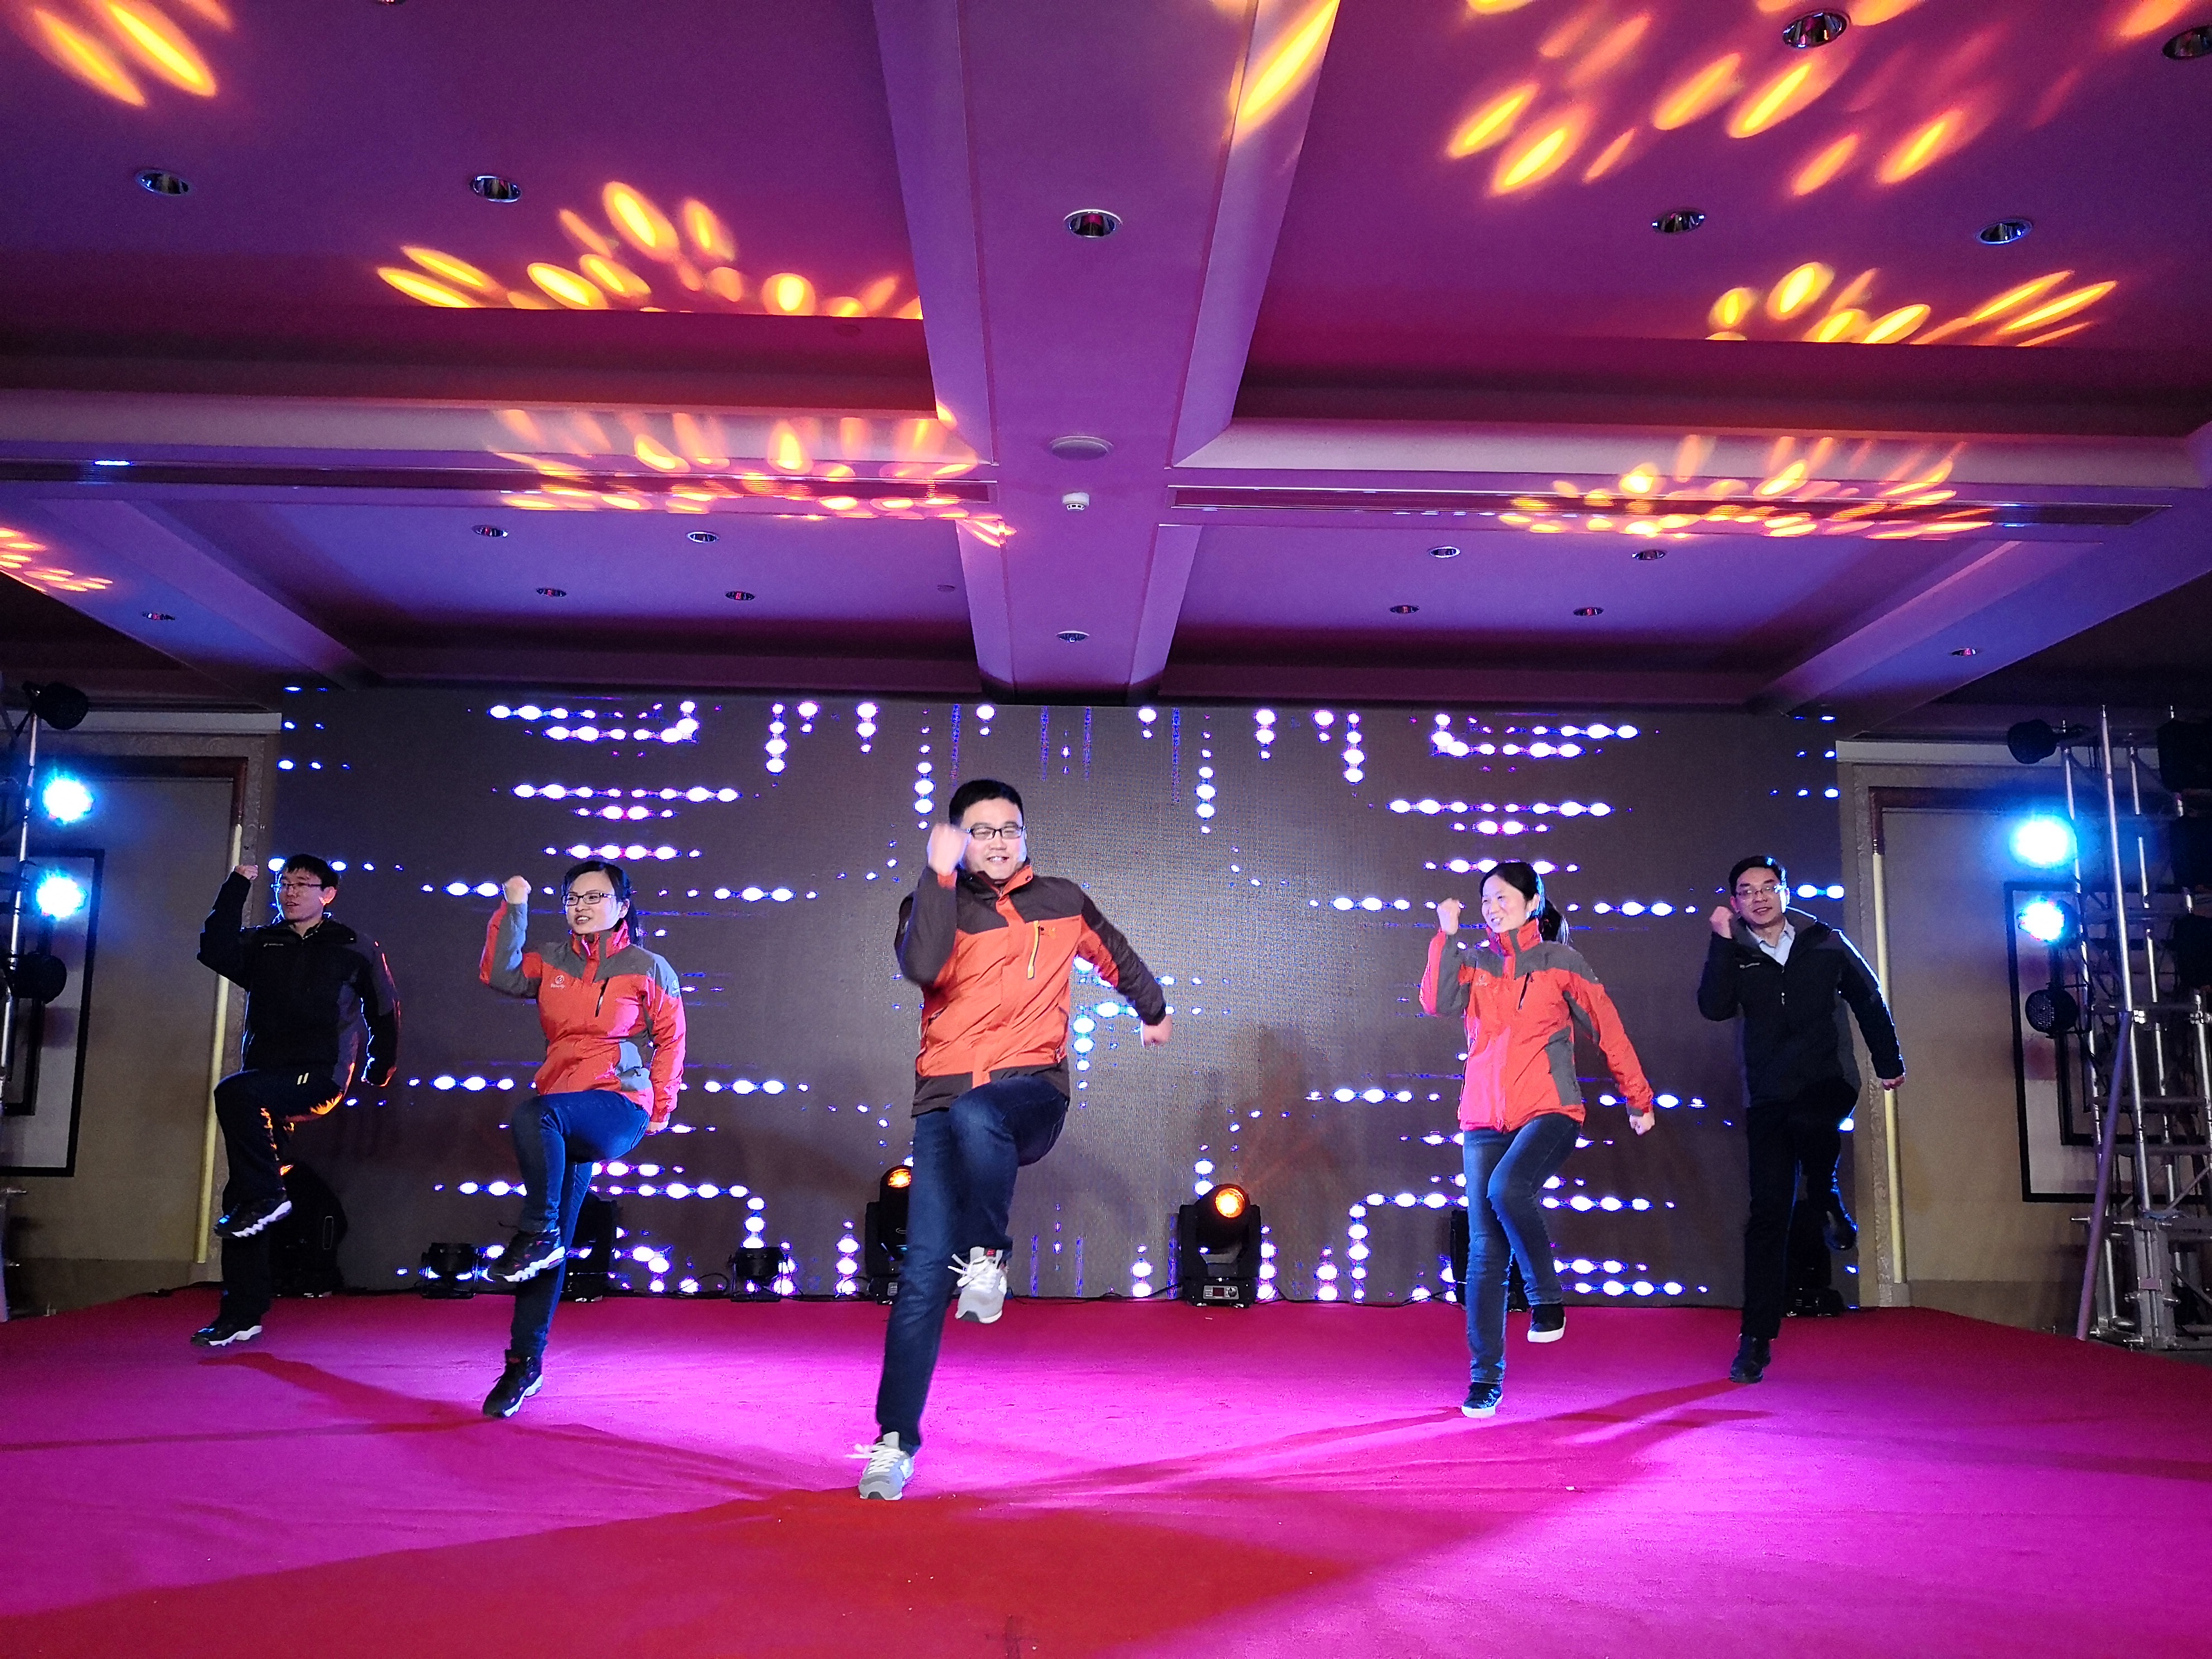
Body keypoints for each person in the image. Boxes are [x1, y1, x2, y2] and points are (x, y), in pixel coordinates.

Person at [855, 779, 1170, 1500]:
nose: (998, 841)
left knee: (982, 1115)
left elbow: (1115, 955)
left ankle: (989, 1255)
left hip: (1029, 1094)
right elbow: (922, 967)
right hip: (944, 1099)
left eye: (1009, 828)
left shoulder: (1060, 900)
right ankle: (894, 1442)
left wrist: (1152, 1010)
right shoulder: (931, 901)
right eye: (982, 830)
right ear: (956, 839)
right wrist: (936, 878)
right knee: (921, 1276)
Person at [1420, 861, 1655, 1419]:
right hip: (1483, 1119)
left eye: (1502, 897)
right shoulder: (1474, 962)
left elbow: (1607, 1029)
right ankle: (1485, 1379)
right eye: (1485, 900)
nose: (1491, 908)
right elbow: (1435, 1002)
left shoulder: (1560, 962)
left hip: (1550, 1110)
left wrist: (1638, 1097)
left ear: (1532, 903)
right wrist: (1444, 937)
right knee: (1484, 1252)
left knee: (1507, 1189)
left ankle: (1546, 1297)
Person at [477, 858, 685, 1417]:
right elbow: (500, 974)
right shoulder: (551, 960)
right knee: (543, 1248)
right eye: (573, 898)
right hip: (564, 1107)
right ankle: (523, 1365)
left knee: (533, 1122)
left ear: (622, 907)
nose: (581, 906)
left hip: (618, 1104)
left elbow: (672, 1039)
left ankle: (539, 1232)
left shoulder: (647, 967)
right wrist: (514, 907)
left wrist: (661, 1107)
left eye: (595, 897)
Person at [1700, 855, 1903, 1385]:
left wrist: (1889, 1062)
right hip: (1768, 1096)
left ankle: (1824, 1188)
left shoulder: (1826, 942)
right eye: (1747, 891)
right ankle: (1755, 1340)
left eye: (1769, 887)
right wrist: (1721, 942)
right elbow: (1714, 1007)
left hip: (1826, 1081)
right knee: (1768, 1214)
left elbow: (1868, 999)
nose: (1760, 897)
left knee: (1813, 1120)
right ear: (1736, 903)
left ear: (1786, 892)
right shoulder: (1737, 951)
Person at [193, 856, 400, 1348]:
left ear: (327, 894)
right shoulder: (265, 942)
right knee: (244, 1197)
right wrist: (237, 886)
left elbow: (384, 1007)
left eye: (302, 885)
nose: (290, 892)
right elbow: (214, 949)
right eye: (284, 884)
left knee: (233, 1092)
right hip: (266, 1078)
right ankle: (242, 1313)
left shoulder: (353, 945)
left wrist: (380, 1064)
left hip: (320, 1074)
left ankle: (269, 1195)